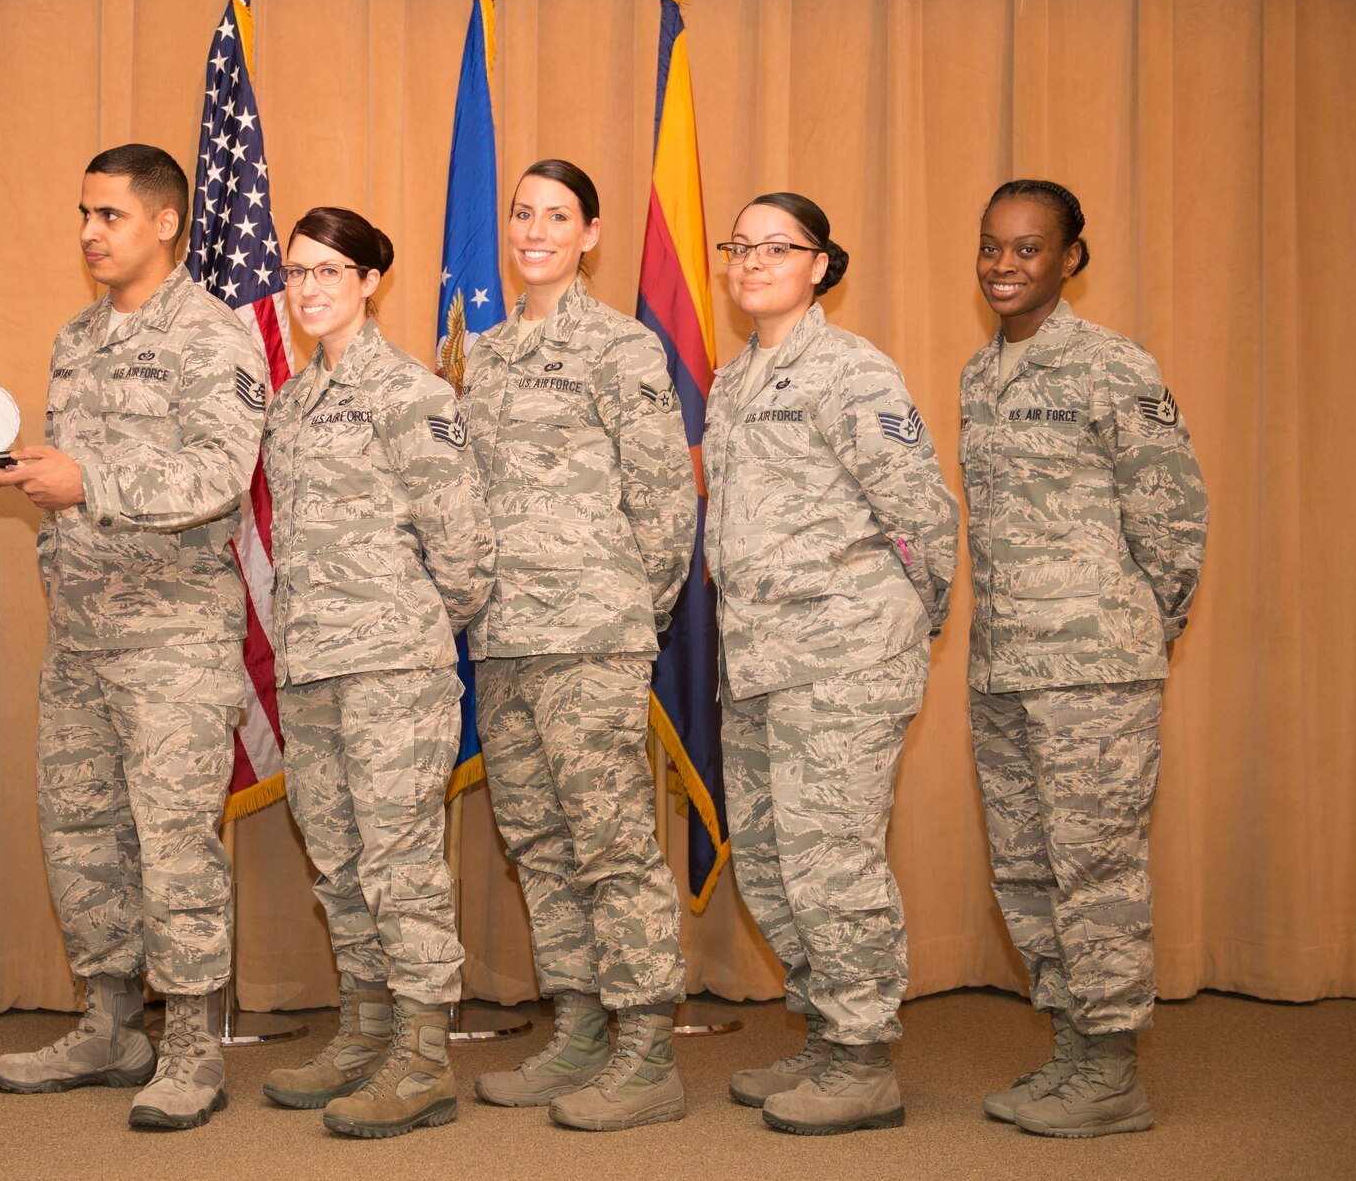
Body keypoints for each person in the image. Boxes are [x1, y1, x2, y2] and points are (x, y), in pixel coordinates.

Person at [0, 144, 267, 1131]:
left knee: (174, 844)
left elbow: (218, 477)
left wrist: (89, 485)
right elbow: (75, 469)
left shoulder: (214, 338)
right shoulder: (76, 337)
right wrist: (32, 473)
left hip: (173, 642)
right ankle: (108, 1023)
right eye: (83, 214)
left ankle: (191, 1043)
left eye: (109, 215)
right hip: (82, 634)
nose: (91, 232)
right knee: (79, 833)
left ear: (164, 223)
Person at [702, 193, 959, 1136]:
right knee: (772, 862)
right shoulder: (734, 380)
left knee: (832, 860)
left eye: (780, 247)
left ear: (821, 265)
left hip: (842, 657)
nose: (754, 260)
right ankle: (822, 1034)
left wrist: (897, 625)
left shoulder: (850, 369)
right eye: (742, 246)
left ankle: (862, 1059)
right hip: (760, 662)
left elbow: (923, 513)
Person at [960, 179, 1207, 1137]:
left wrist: (1133, 631)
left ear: (1071, 259)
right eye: (991, 247)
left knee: (1096, 868)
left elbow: (1175, 519)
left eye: (1027, 249)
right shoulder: (983, 375)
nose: (1004, 265)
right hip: (1004, 666)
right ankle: (1070, 1050)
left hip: (1095, 669)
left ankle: (1112, 1071)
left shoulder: (1113, 367)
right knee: (1027, 868)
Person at [460, 159, 697, 1132]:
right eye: (521, 213)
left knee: (608, 843)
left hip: (590, 633)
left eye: (556, 216)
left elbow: (661, 495)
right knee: (540, 844)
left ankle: (645, 1048)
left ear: (590, 233)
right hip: (503, 638)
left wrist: (629, 615)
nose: (533, 230)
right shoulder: (480, 352)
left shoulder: (621, 348)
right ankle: (578, 1029)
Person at [256, 207, 496, 1138]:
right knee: (340, 860)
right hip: (312, 665)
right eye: (298, 271)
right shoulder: (290, 403)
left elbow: (465, 545)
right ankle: (365, 1029)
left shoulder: (413, 394)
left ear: (369, 281)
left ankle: (425, 1054)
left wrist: (419, 628)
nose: (310, 288)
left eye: (330, 271)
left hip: (395, 666)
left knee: (400, 862)